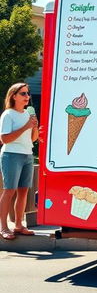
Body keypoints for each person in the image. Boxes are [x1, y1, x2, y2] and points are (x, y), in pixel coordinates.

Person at [0, 82, 39, 240]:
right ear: (13, 96)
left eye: (28, 93)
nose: (27, 97)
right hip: (11, 155)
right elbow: (4, 139)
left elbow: (33, 139)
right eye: (23, 93)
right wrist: (25, 127)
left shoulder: (28, 115)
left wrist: (34, 127)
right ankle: (3, 227)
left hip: (27, 155)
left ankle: (18, 225)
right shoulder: (8, 115)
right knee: (9, 190)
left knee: (23, 192)